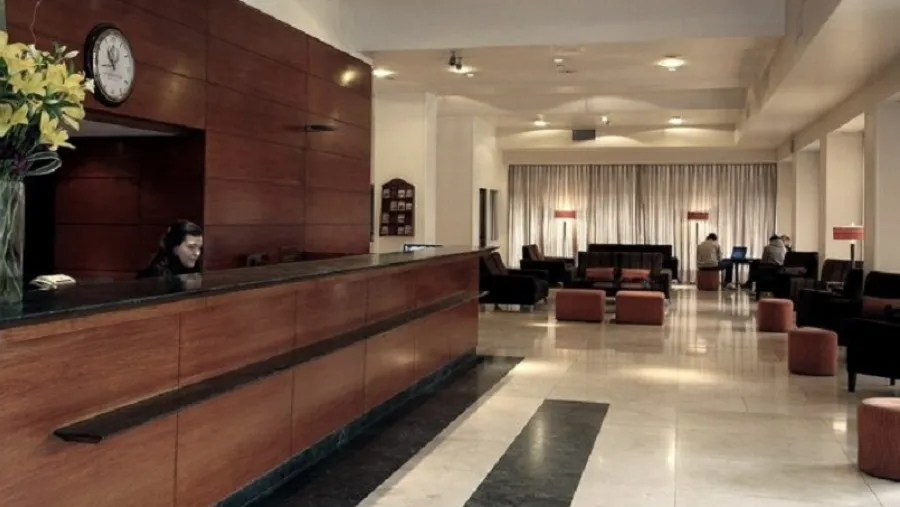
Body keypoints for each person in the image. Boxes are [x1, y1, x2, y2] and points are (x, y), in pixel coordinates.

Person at [137, 219, 204, 279]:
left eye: (199, 247)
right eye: (191, 247)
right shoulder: (153, 276)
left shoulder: (194, 271)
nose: (197, 253)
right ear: (175, 248)